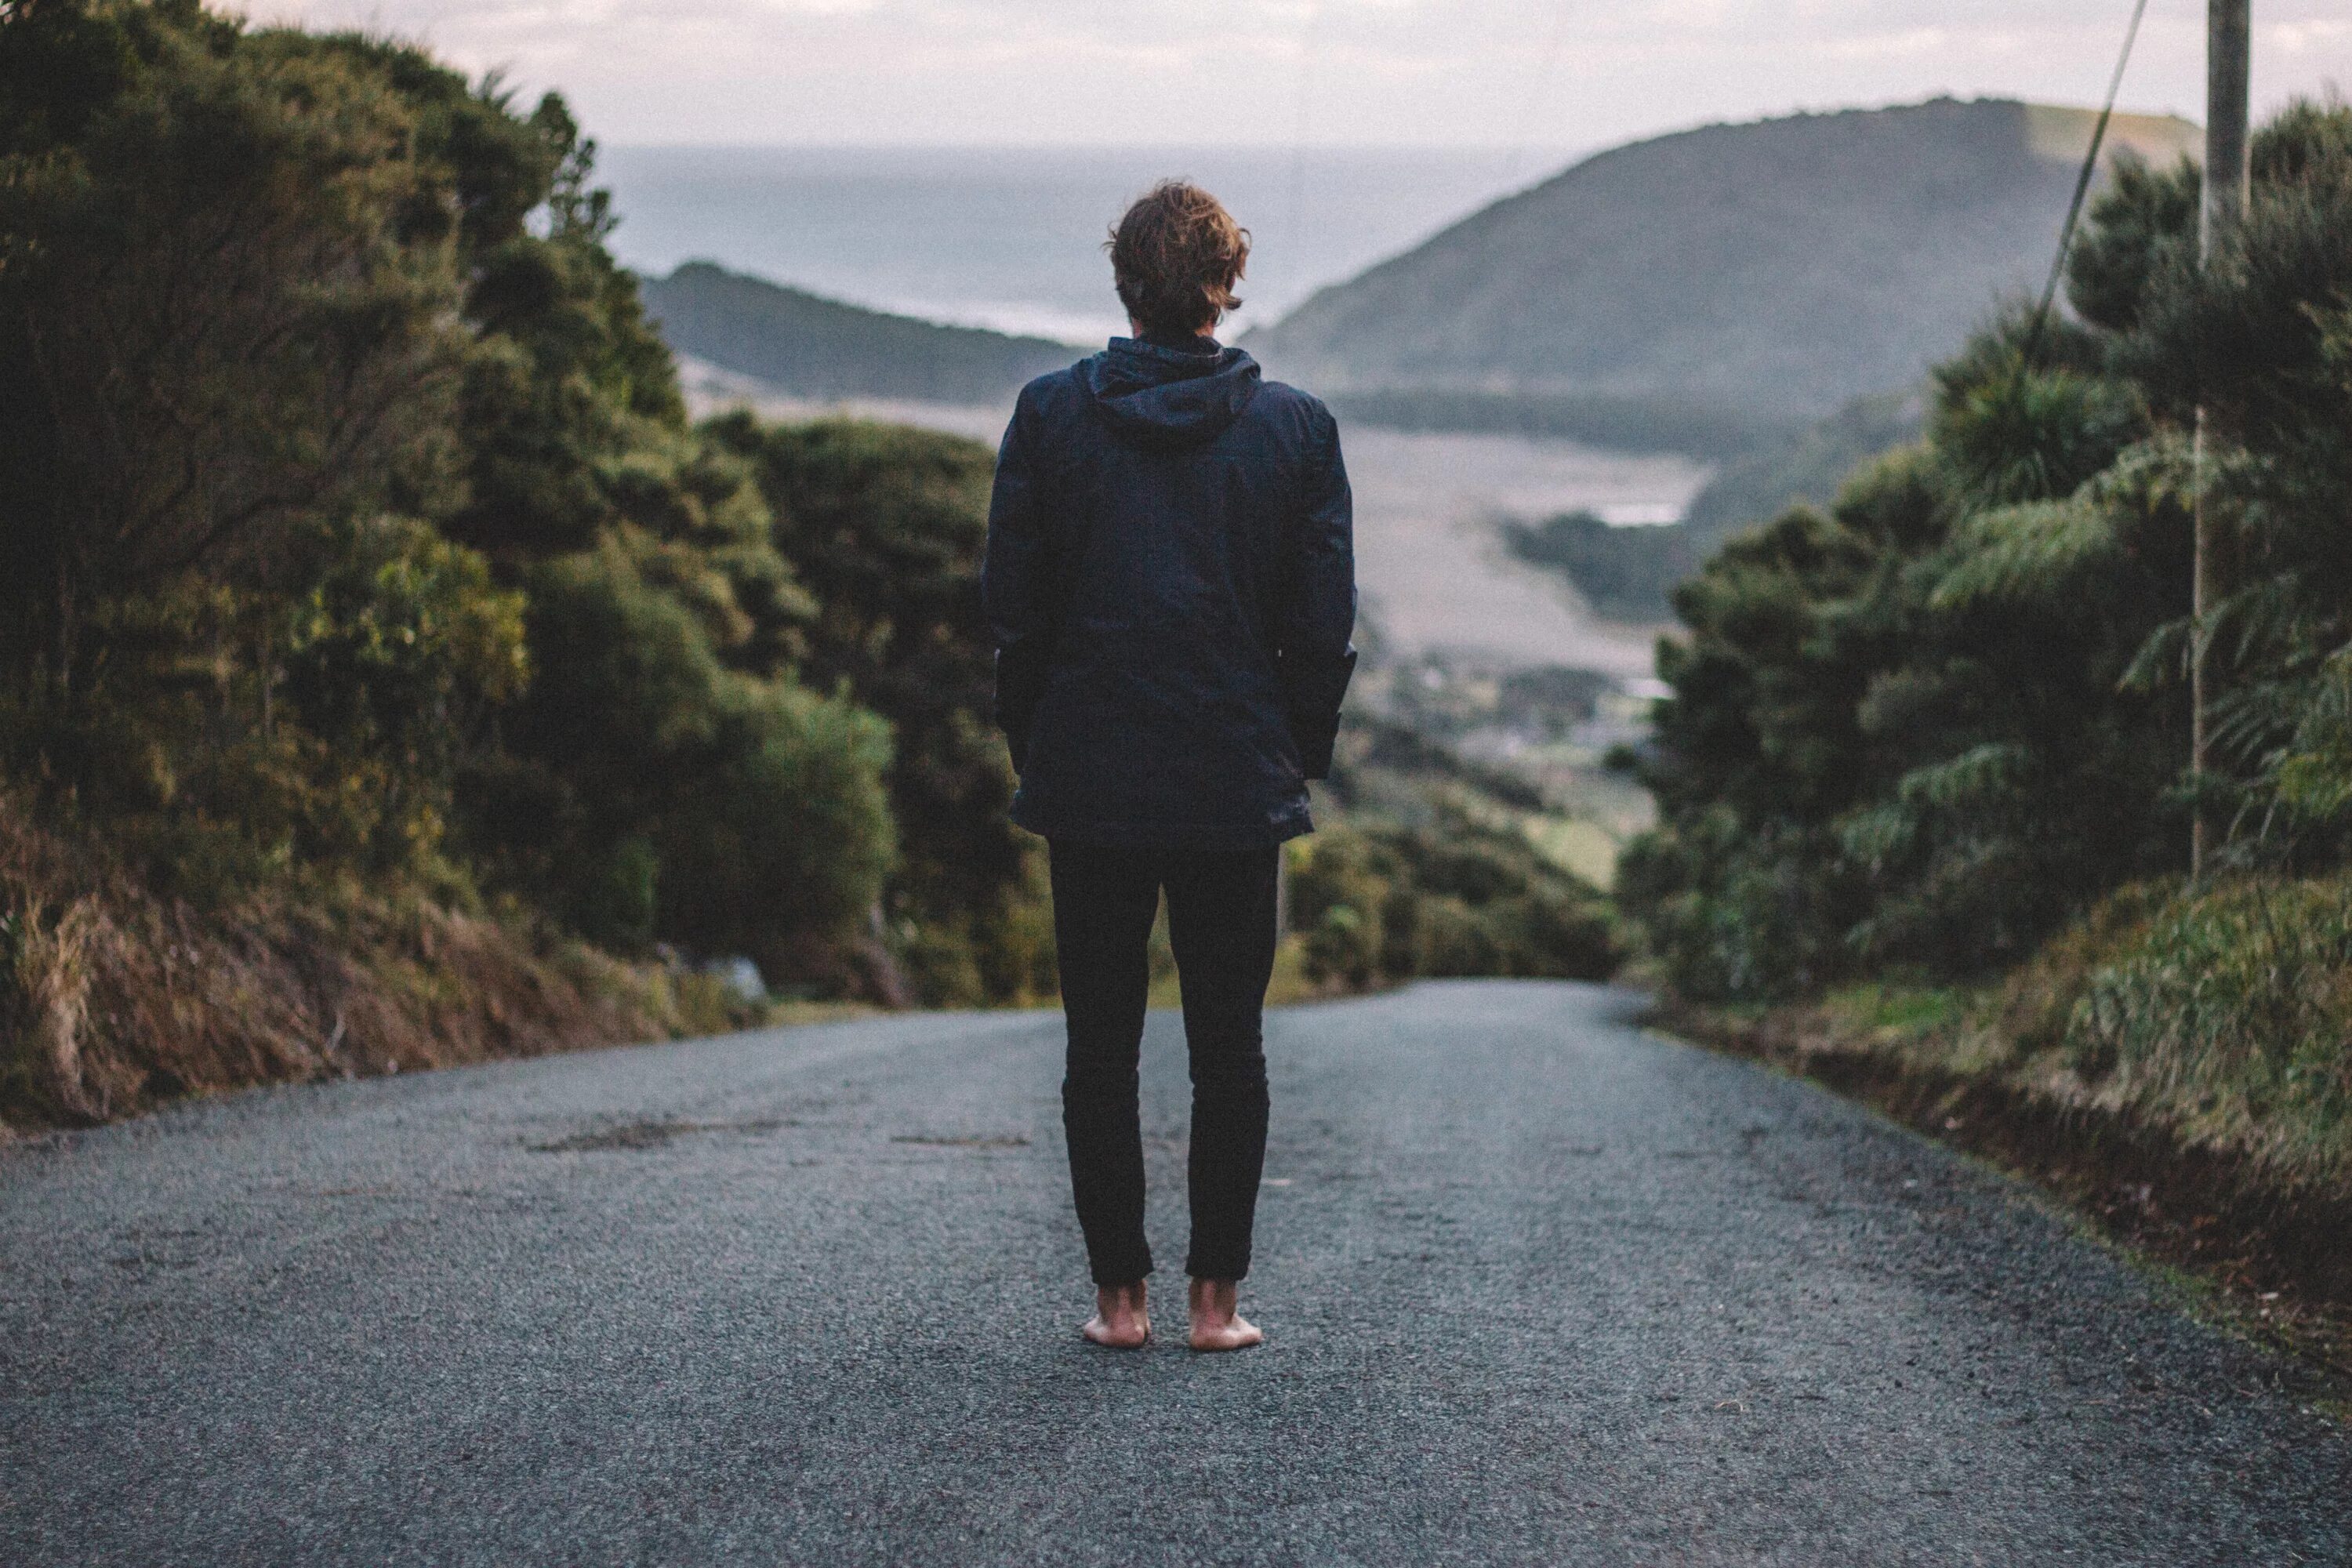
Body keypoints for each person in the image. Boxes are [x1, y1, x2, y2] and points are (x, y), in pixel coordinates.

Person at [982, 180, 1356, 1352]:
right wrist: (1289, 758)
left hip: (1090, 779)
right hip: (1235, 784)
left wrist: (1039, 751)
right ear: (1222, 288)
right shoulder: (1299, 429)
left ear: (1126, 288)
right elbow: (1324, 626)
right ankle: (1216, 1308)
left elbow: (1015, 619)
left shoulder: (1047, 417)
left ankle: (1118, 1305)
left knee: (1100, 1045)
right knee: (1227, 1048)